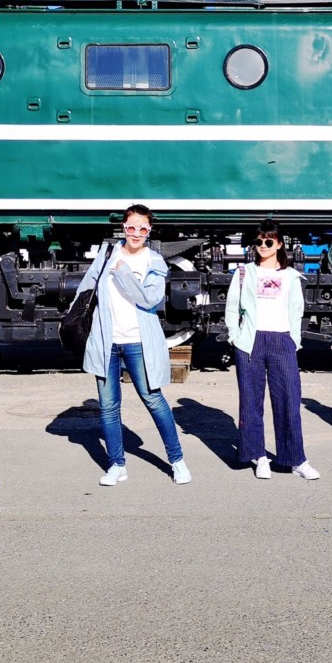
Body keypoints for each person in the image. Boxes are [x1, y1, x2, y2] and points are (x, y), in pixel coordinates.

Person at [73, 204, 190, 486]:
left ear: (149, 231)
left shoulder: (155, 262)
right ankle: (117, 465)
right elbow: (86, 288)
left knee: (153, 400)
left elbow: (149, 299)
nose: (136, 233)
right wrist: (76, 318)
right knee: (108, 407)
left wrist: (124, 273)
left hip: (138, 342)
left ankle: (177, 461)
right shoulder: (107, 253)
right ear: (123, 228)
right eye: (131, 227)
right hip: (107, 341)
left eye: (142, 229)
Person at [226, 221, 319, 480]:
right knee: (250, 403)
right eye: (259, 241)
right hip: (250, 342)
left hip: (282, 341)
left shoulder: (290, 276)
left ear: (279, 244)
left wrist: (294, 340)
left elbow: (296, 310)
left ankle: (296, 459)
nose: (263, 246)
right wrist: (235, 337)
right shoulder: (244, 273)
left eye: (269, 241)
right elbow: (232, 309)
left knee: (289, 400)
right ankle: (258, 456)